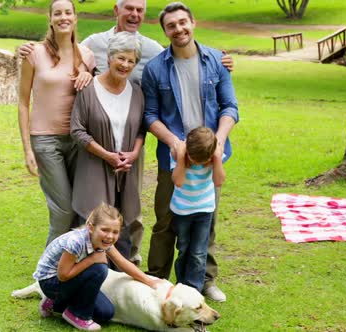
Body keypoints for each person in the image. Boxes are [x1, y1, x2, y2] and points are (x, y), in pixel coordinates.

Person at [20, 0, 235, 266]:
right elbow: (70, 58)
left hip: (132, 133)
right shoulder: (93, 45)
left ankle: (128, 259)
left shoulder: (153, 51)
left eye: (140, 10)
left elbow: (188, 76)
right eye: (128, 8)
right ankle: (70, 266)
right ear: (116, 11)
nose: (134, 14)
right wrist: (32, 49)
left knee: (133, 205)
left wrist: (220, 58)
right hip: (93, 133)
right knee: (86, 206)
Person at [142, 2, 239, 302]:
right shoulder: (155, 68)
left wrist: (219, 140)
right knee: (165, 222)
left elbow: (230, 107)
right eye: (171, 25)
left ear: (193, 23)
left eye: (183, 22)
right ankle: (156, 281)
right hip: (172, 159)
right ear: (165, 31)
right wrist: (173, 142)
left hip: (212, 159)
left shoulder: (216, 61)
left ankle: (205, 281)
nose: (179, 29)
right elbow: (150, 115)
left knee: (205, 220)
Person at [18, 0, 96, 246]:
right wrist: (27, 149)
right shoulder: (34, 53)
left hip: (77, 140)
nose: (63, 17)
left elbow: (95, 97)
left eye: (68, 12)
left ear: (75, 18)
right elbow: (22, 101)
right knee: (62, 209)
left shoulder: (87, 56)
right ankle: (46, 271)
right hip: (45, 140)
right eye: (57, 13)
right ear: (50, 19)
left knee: (77, 209)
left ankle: (68, 268)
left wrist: (89, 77)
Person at [70, 32, 144, 271]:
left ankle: (121, 282)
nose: (125, 64)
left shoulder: (137, 92)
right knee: (94, 227)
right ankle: (91, 281)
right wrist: (108, 156)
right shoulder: (88, 89)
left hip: (126, 170)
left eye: (131, 61)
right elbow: (77, 130)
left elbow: (142, 128)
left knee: (122, 231)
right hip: (94, 168)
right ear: (110, 57)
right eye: (120, 58)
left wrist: (133, 153)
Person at [33, 202, 160, 331]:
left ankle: (55, 303)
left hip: (69, 281)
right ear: (91, 227)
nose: (110, 236)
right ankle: (77, 315)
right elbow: (63, 275)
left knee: (106, 313)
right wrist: (91, 260)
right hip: (50, 282)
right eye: (105, 230)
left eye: (115, 232)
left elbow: (123, 263)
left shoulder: (104, 241)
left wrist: (151, 282)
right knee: (99, 269)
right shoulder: (76, 242)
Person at [170, 127, 225, 293]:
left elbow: (219, 181)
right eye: (194, 159)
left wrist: (217, 159)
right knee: (184, 249)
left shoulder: (213, 158)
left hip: (204, 211)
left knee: (199, 252)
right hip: (182, 212)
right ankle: (182, 286)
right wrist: (181, 157)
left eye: (202, 161)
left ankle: (194, 289)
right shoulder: (178, 154)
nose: (197, 164)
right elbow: (178, 182)